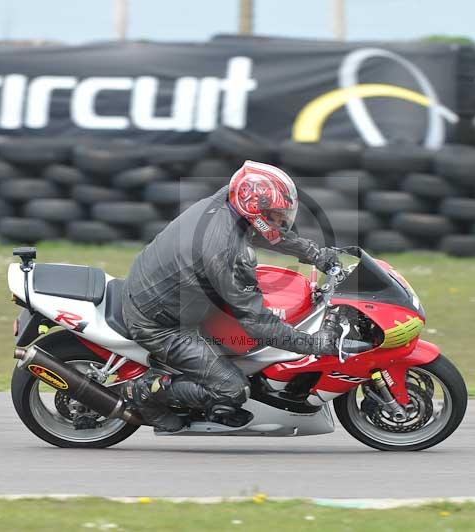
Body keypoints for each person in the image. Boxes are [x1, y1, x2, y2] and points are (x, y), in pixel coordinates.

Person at [120, 160, 342, 432]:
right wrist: (314, 344)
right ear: (254, 209)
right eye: (274, 214)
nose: (281, 220)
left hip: (158, 289)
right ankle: (146, 392)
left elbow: (263, 230)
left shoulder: (229, 202)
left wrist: (314, 254)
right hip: (160, 324)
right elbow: (259, 325)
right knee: (232, 390)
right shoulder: (227, 252)